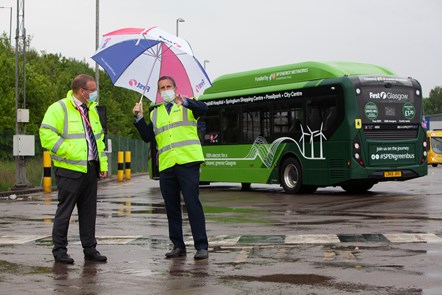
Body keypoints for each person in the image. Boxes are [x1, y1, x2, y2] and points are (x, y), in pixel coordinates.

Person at [133, 76, 209, 260]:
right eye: (162, 88)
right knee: (171, 207)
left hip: (188, 162)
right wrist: (139, 117)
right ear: (158, 92)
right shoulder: (155, 113)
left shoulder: (186, 106)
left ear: (175, 88)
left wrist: (187, 102)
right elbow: (147, 137)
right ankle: (178, 245)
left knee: (192, 204)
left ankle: (201, 246)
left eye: (169, 86)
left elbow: (204, 109)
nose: (166, 89)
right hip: (167, 165)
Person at [39, 74, 108, 264]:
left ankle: (90, 249)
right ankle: (59, 250)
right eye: (92, 90)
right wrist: (69, 150)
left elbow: (99, 140)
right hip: (69, 169)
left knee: (89, 211)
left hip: (91, 167)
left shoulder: (91, 110)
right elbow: (46, 134)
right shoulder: (59, 108)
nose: (95, 94)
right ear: (81, 91)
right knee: (65, 211)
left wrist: (102, 164)